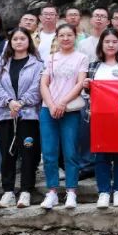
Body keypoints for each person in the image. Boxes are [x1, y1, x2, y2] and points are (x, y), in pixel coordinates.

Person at [0, 27, 43, 209]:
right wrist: (9, 102)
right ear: (10, 43)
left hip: (28, 116)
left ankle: (26, 191)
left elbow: (37, 88)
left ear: (29, 41)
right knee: (7, 153)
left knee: (28, 153)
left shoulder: (37, 64)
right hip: (6, 115)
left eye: (22, 38)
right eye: (15, 39)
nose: (19, 42)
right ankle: (8, 192)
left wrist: (20, 103)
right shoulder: (1, 66)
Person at [39, 23, 88, 210]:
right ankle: (52, 191)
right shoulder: (50, 58)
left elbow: (80, 83)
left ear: (75, 37)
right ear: (57, 38)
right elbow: (44, 84)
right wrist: (52, 104)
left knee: (71, 151)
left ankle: (71, 191)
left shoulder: (81, 58)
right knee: (49, 152)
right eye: (62, 35)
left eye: (69, 35)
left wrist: (62, 103)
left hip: (70, 110)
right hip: (48, 109)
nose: (66, 38)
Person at [84, 28, 118, 208]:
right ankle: (103, 191)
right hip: (98, 117)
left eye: (114, 42)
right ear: (101, 44)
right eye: (107, 42)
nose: (111, 45)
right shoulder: (93, 65)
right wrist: (86, 85)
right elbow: (87, 92)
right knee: (101, 154)